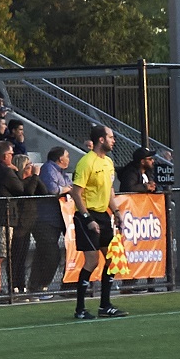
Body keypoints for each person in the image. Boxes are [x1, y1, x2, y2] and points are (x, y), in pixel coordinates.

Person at [70, 125, 122, 319]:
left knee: (111, 259)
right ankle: (80, 309)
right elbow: (76, 193)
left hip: (103, 215)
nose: (113, 140)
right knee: (92, 261)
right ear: (101, 139)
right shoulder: (86, 162)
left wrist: (116, 211)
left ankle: (105, 305)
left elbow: (109, 191)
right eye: (110, 137)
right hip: (87, 215)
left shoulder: (108, 162)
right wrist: (88, 219)